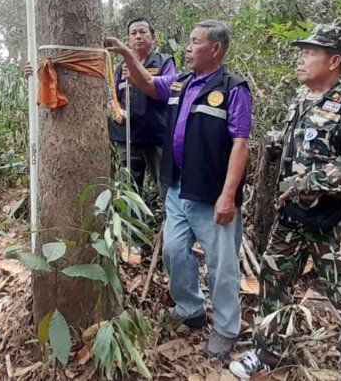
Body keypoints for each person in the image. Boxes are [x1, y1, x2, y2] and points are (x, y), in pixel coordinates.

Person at [228, 24, 341, 381]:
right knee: (273, 278)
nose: (302, 58)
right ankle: (268, 352)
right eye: (303, 50)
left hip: (334, 220)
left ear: (334, 61)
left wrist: (311, 181)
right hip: (292, 215)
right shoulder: (299, 100)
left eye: (311, 52)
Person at [105, 19, 252, 360]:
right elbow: (147, 82)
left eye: (194, 41)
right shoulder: (180, 83)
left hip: (212, 194)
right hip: (177, 189)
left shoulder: (233, 88)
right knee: (172, 251)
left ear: (215, 49)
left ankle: (227, 328)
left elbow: (241, 145)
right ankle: (190, 308)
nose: (187, 47)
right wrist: (127, 53)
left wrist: (228, 196)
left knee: (222, 264)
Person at [109, 18, 176, 204]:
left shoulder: (164, 62)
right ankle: (133, 230)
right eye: (133, 33)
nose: (138, 37)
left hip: (156, 135)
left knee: (165, 187)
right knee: (129, 190)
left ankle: (167, 227)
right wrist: (117, 113)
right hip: (128, 137)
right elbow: (113, 97)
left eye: (143, 32)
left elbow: (170, 92)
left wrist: (138, 80)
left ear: (152, 38)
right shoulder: (119, 69)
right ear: (128, 40)